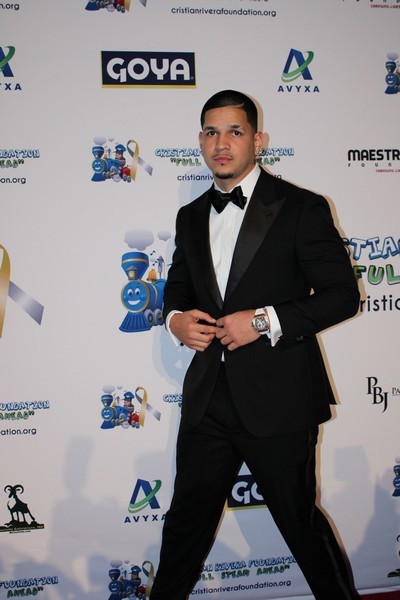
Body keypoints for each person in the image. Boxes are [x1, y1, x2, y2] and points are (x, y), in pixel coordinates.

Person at [150, 90, 360, 600]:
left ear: (258, 140)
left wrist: (264, 321)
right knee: (184, 528)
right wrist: (175, 319)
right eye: (211, 132)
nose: (221, 144)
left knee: (300, 526)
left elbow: (342, 296)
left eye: (235, 132)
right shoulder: (190, 215)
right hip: (208, 399)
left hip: (279, 397)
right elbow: (178, 287)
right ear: (200, 140)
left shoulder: (301, 207)